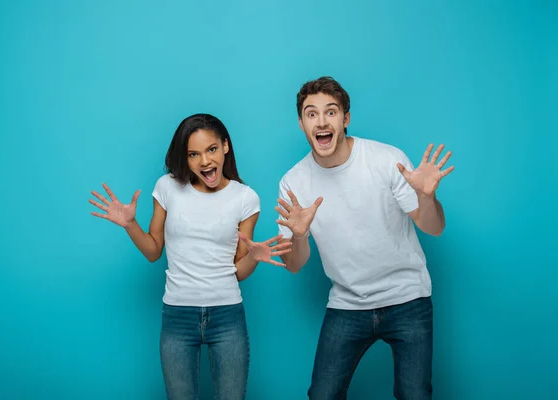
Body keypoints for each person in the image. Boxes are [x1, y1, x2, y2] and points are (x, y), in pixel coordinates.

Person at [275, 77, 454, 400]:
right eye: (311, 114)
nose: (321, 121)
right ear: (301, 123)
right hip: (348, 303)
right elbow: (295, 264)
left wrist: (426, 198)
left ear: (345, 118)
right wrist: (298, 236)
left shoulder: (386, 160)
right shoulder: (293, 182)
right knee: (321, 395)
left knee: (415, 394)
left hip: (407, 298)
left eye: (331, 112)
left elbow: (434, 227)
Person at [89, 113, 291, 400]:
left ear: (225, 147)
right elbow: (152, 251)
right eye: (193, 154)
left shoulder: (246, 198)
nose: (205, 161)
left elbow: (239, 272)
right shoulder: (167, 187)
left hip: (227, 315)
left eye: (210, 150)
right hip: (177, 316)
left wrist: (254, 258)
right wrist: (130, 225)